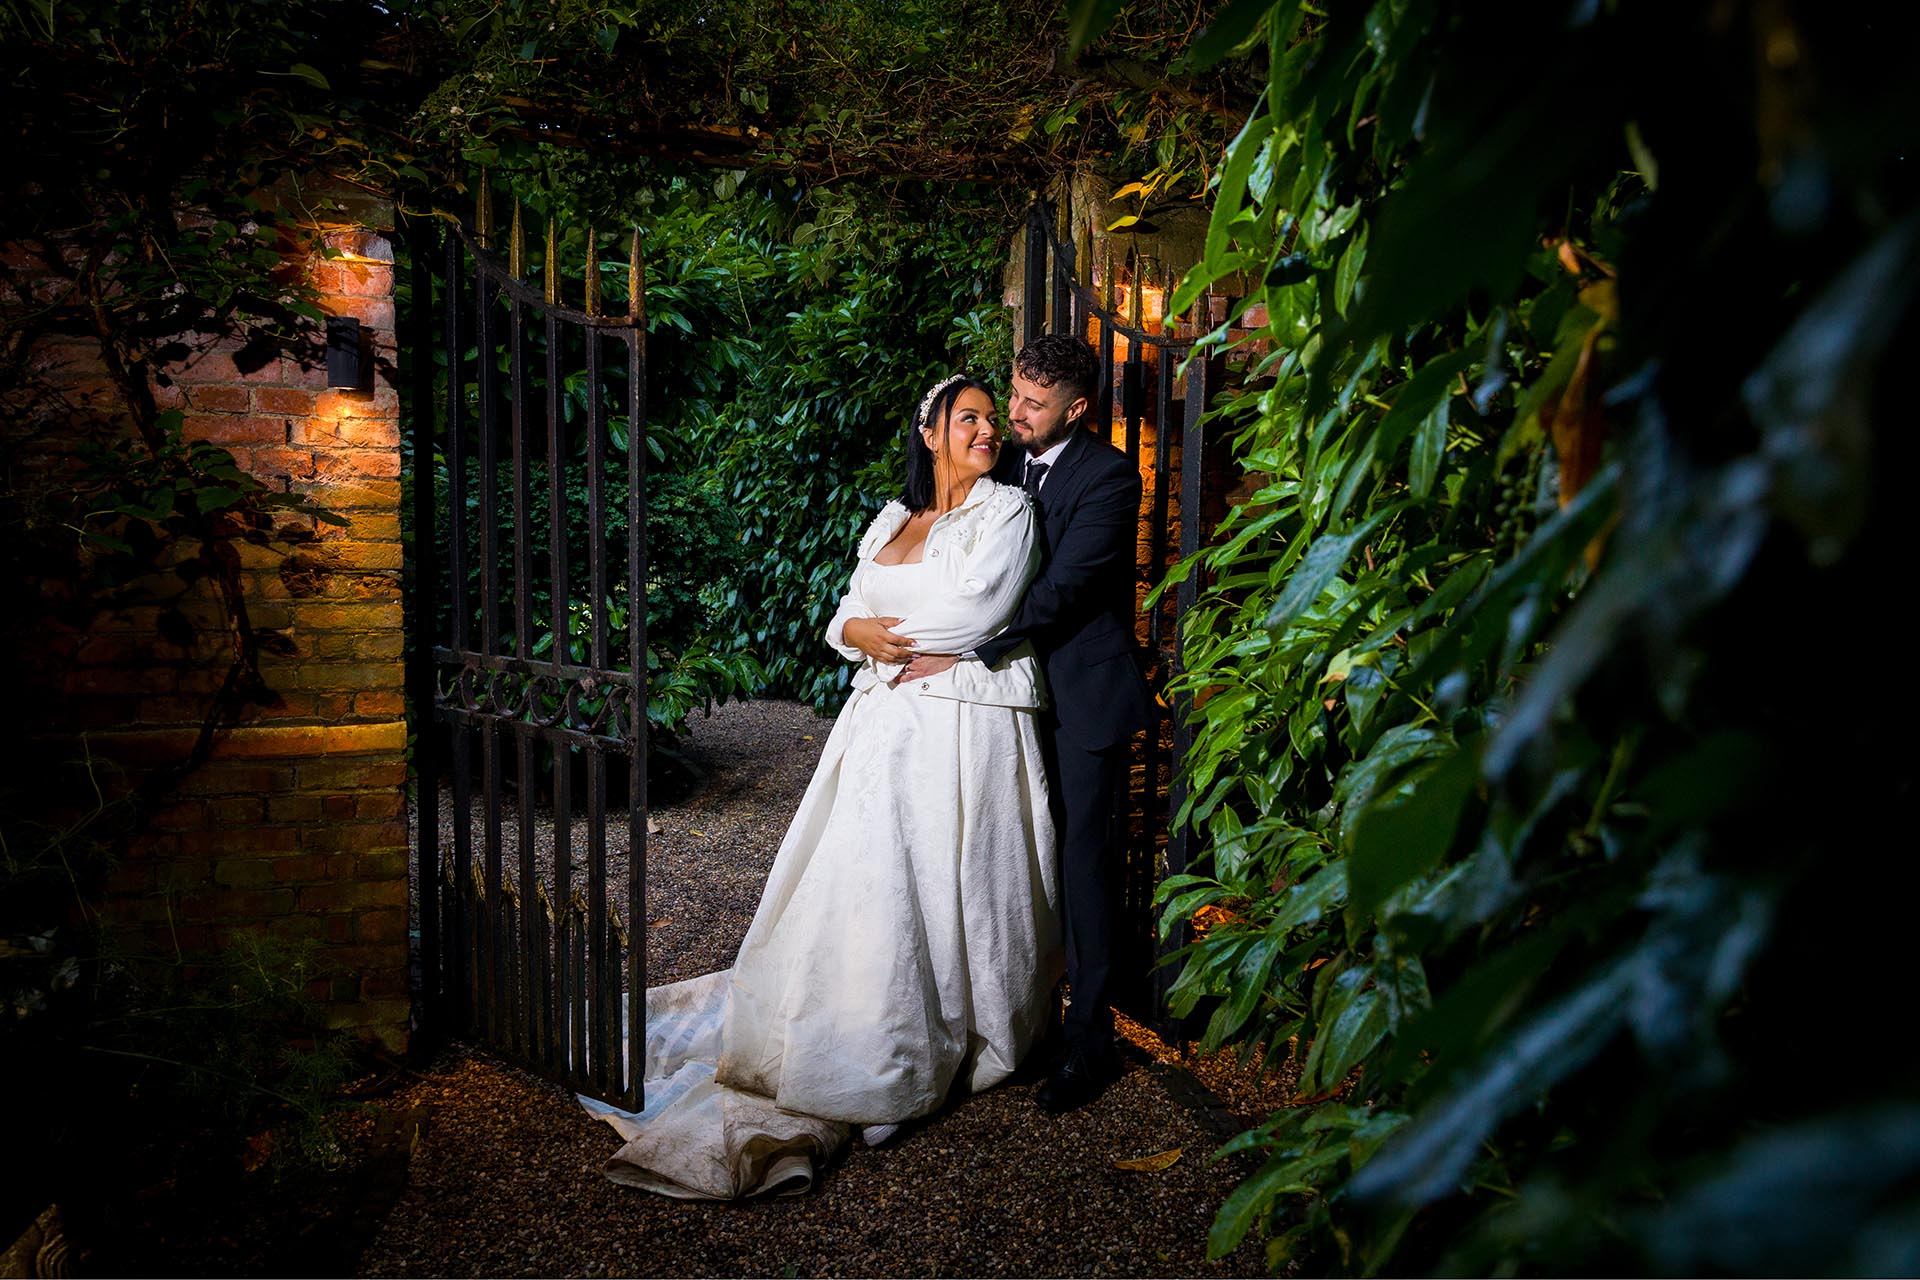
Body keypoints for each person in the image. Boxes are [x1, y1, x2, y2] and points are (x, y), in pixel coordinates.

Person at [581, 374, 1061, 1199]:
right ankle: (849, 1017)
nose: (989, 430)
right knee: (862, 877)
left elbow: (975, 613)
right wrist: (857, 632)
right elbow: (843, 609)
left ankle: (938, 1029)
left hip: (958, 722)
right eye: (970, 418)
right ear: (931, 432)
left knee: (949, 880)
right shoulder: (893, 518)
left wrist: (877, 638)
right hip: (881, 720)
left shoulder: (1008, 513)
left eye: (994, 418)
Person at [899, 334, 1153, 1114]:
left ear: (1076, 409)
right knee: (1010, 855)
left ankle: (1091, 1041)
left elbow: (1063, 591)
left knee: (1081, 863)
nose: (1011, 415)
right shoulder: (1000, 461)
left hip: (1080, 695)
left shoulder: (1110, 477)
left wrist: (963, 648)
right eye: (1012, 395)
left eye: (1032, 404)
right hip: (1006, 698)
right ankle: (1018, 1013)